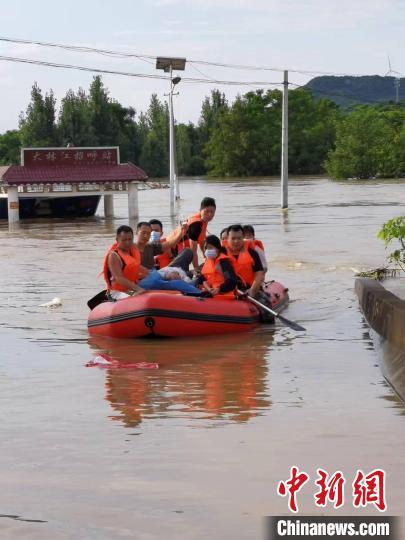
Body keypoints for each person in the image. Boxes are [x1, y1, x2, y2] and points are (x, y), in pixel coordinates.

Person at [167, 197, 217, 270]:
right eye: (206, 211)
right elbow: (193, 251)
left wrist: (207, 259)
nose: (209, 214)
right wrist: (196, 269)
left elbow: (202, 242)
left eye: (212, 212)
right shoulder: (196, 224)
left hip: (179, 251)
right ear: (200, 210)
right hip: (171, 251)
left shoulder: (203, 221)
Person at [102, 225, 145, 300]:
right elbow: (119, 278)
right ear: (117, 240)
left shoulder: (132, 252)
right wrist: (138, 289)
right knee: (139, 297)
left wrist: (152, 275)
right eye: (124, 240)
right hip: (117, 292)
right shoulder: (114, 256)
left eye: (130, 239)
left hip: (128, 290)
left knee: (146, 294)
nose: (127, 243)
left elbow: (136, 270)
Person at [225, 224, 265, 298]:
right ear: (227, 238)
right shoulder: (221, 253)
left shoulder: (252, 253)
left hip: (248, 289)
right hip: (227, 289)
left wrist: (253, 290)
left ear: (243, 238)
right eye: (233, 238)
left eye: (239, 238)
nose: (236, 241)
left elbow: (259, 273)